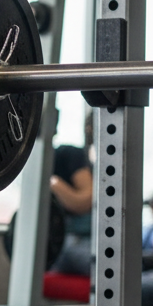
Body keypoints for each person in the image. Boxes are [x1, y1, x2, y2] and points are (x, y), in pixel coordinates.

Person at [47, 113, 95, 276]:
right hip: (67, 242)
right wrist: (54, 183)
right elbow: (84, 202)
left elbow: (85, 200)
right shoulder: (68, 154)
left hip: (92, 238)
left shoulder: (72, 155)